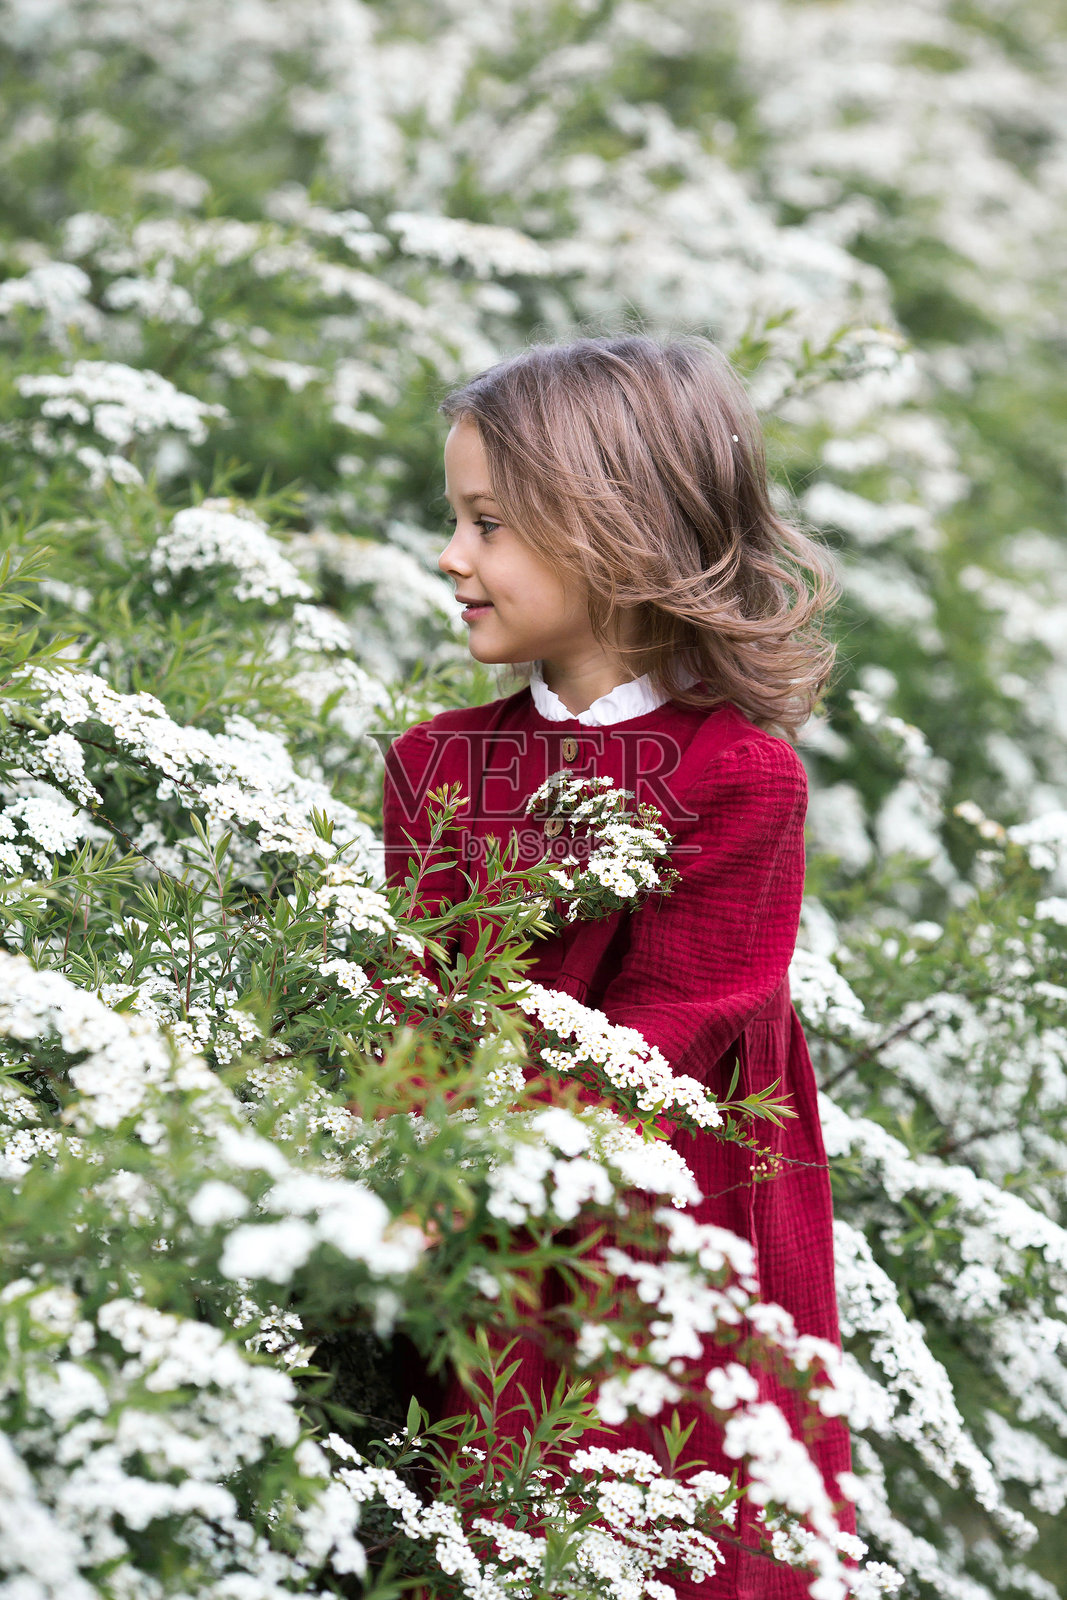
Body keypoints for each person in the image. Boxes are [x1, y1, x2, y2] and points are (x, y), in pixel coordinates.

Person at [381, 334, 853, 1597]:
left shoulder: (737, 777)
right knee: (456, 1514)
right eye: (454, 519)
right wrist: (387, 1161)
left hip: (640, 1245)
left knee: (642, 1528)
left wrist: (452, 1161)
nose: (450, 558)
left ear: (612, 533)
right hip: (459, 1228)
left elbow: (664, 1035)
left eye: (487, 525)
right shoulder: (433, 763)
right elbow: (408, 1006)